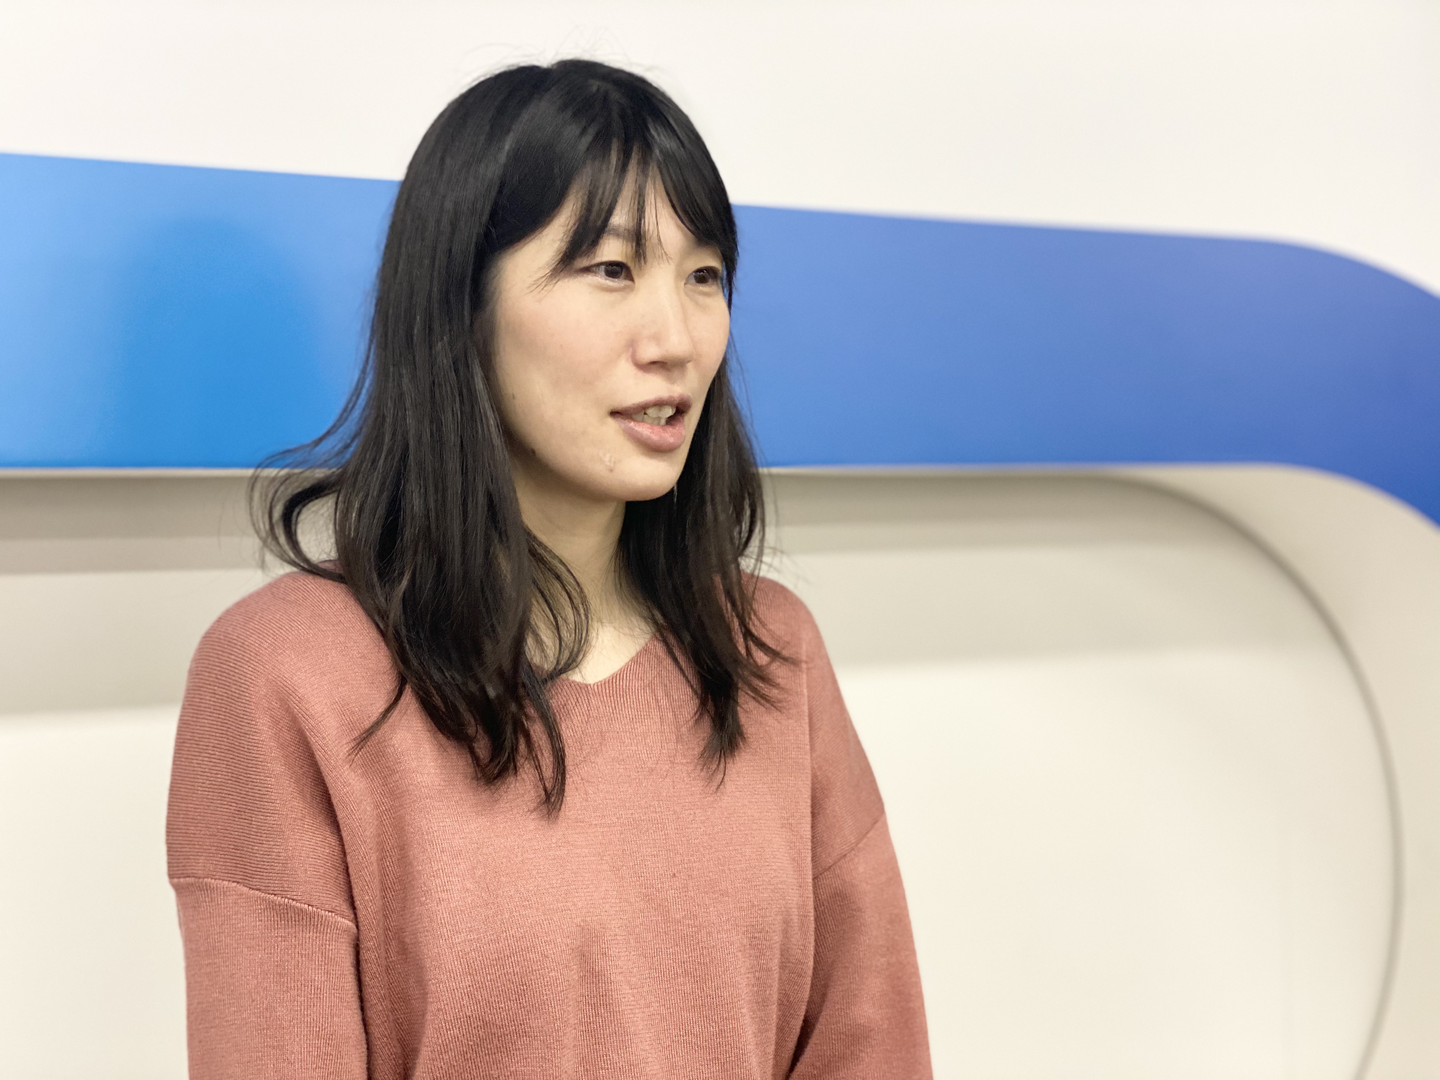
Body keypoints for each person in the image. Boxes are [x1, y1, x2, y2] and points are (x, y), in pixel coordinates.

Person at [166, 58, 931, 1079]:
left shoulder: (769, 646)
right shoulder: (285, 672)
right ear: (462, 305)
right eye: (611, 270)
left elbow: (872, 1049)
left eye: (704, 276)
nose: (675, 341)